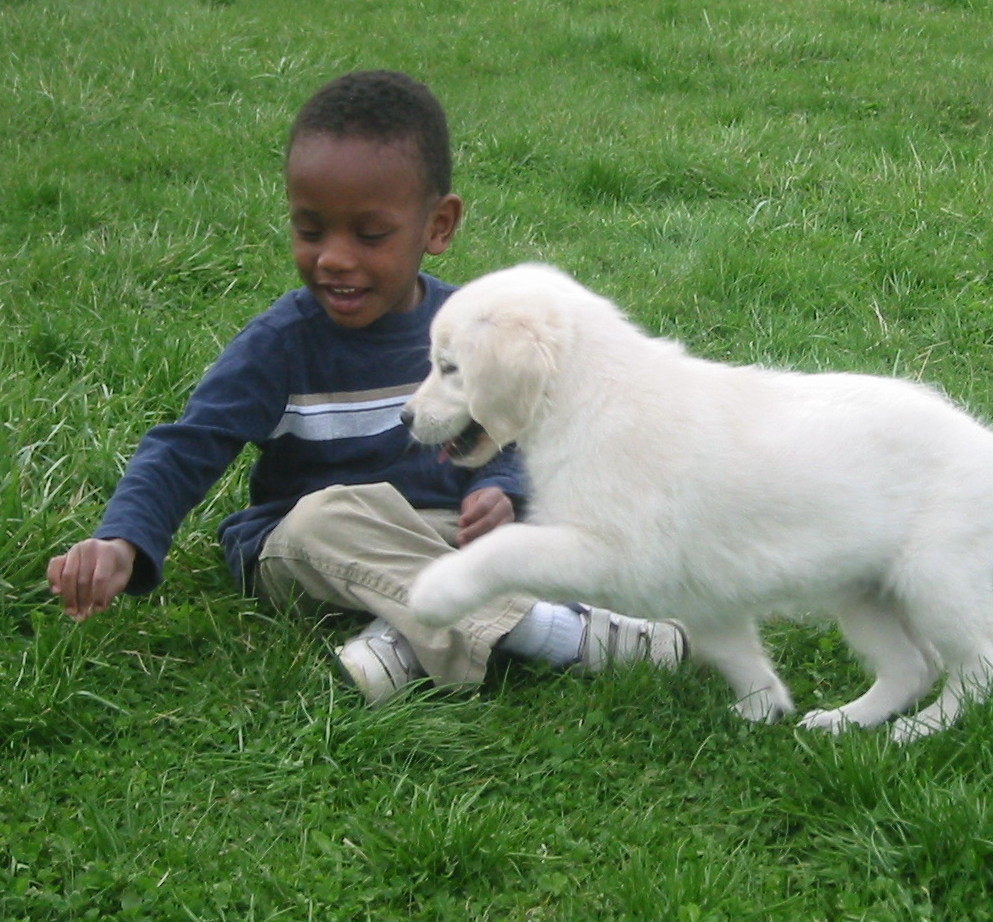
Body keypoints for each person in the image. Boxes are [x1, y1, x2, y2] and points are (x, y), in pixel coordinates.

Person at [46, 70, 686, 706]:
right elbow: (188, 445)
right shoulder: (279, 345)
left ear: (437, 226)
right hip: (308, 545)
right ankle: (553, 634)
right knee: (328, 517)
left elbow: (521, 426)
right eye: (310, 229)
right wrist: (122, 538)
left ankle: (400, 640)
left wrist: (501, 487)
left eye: (369, 234)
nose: (334, 257)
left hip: (435, 533)